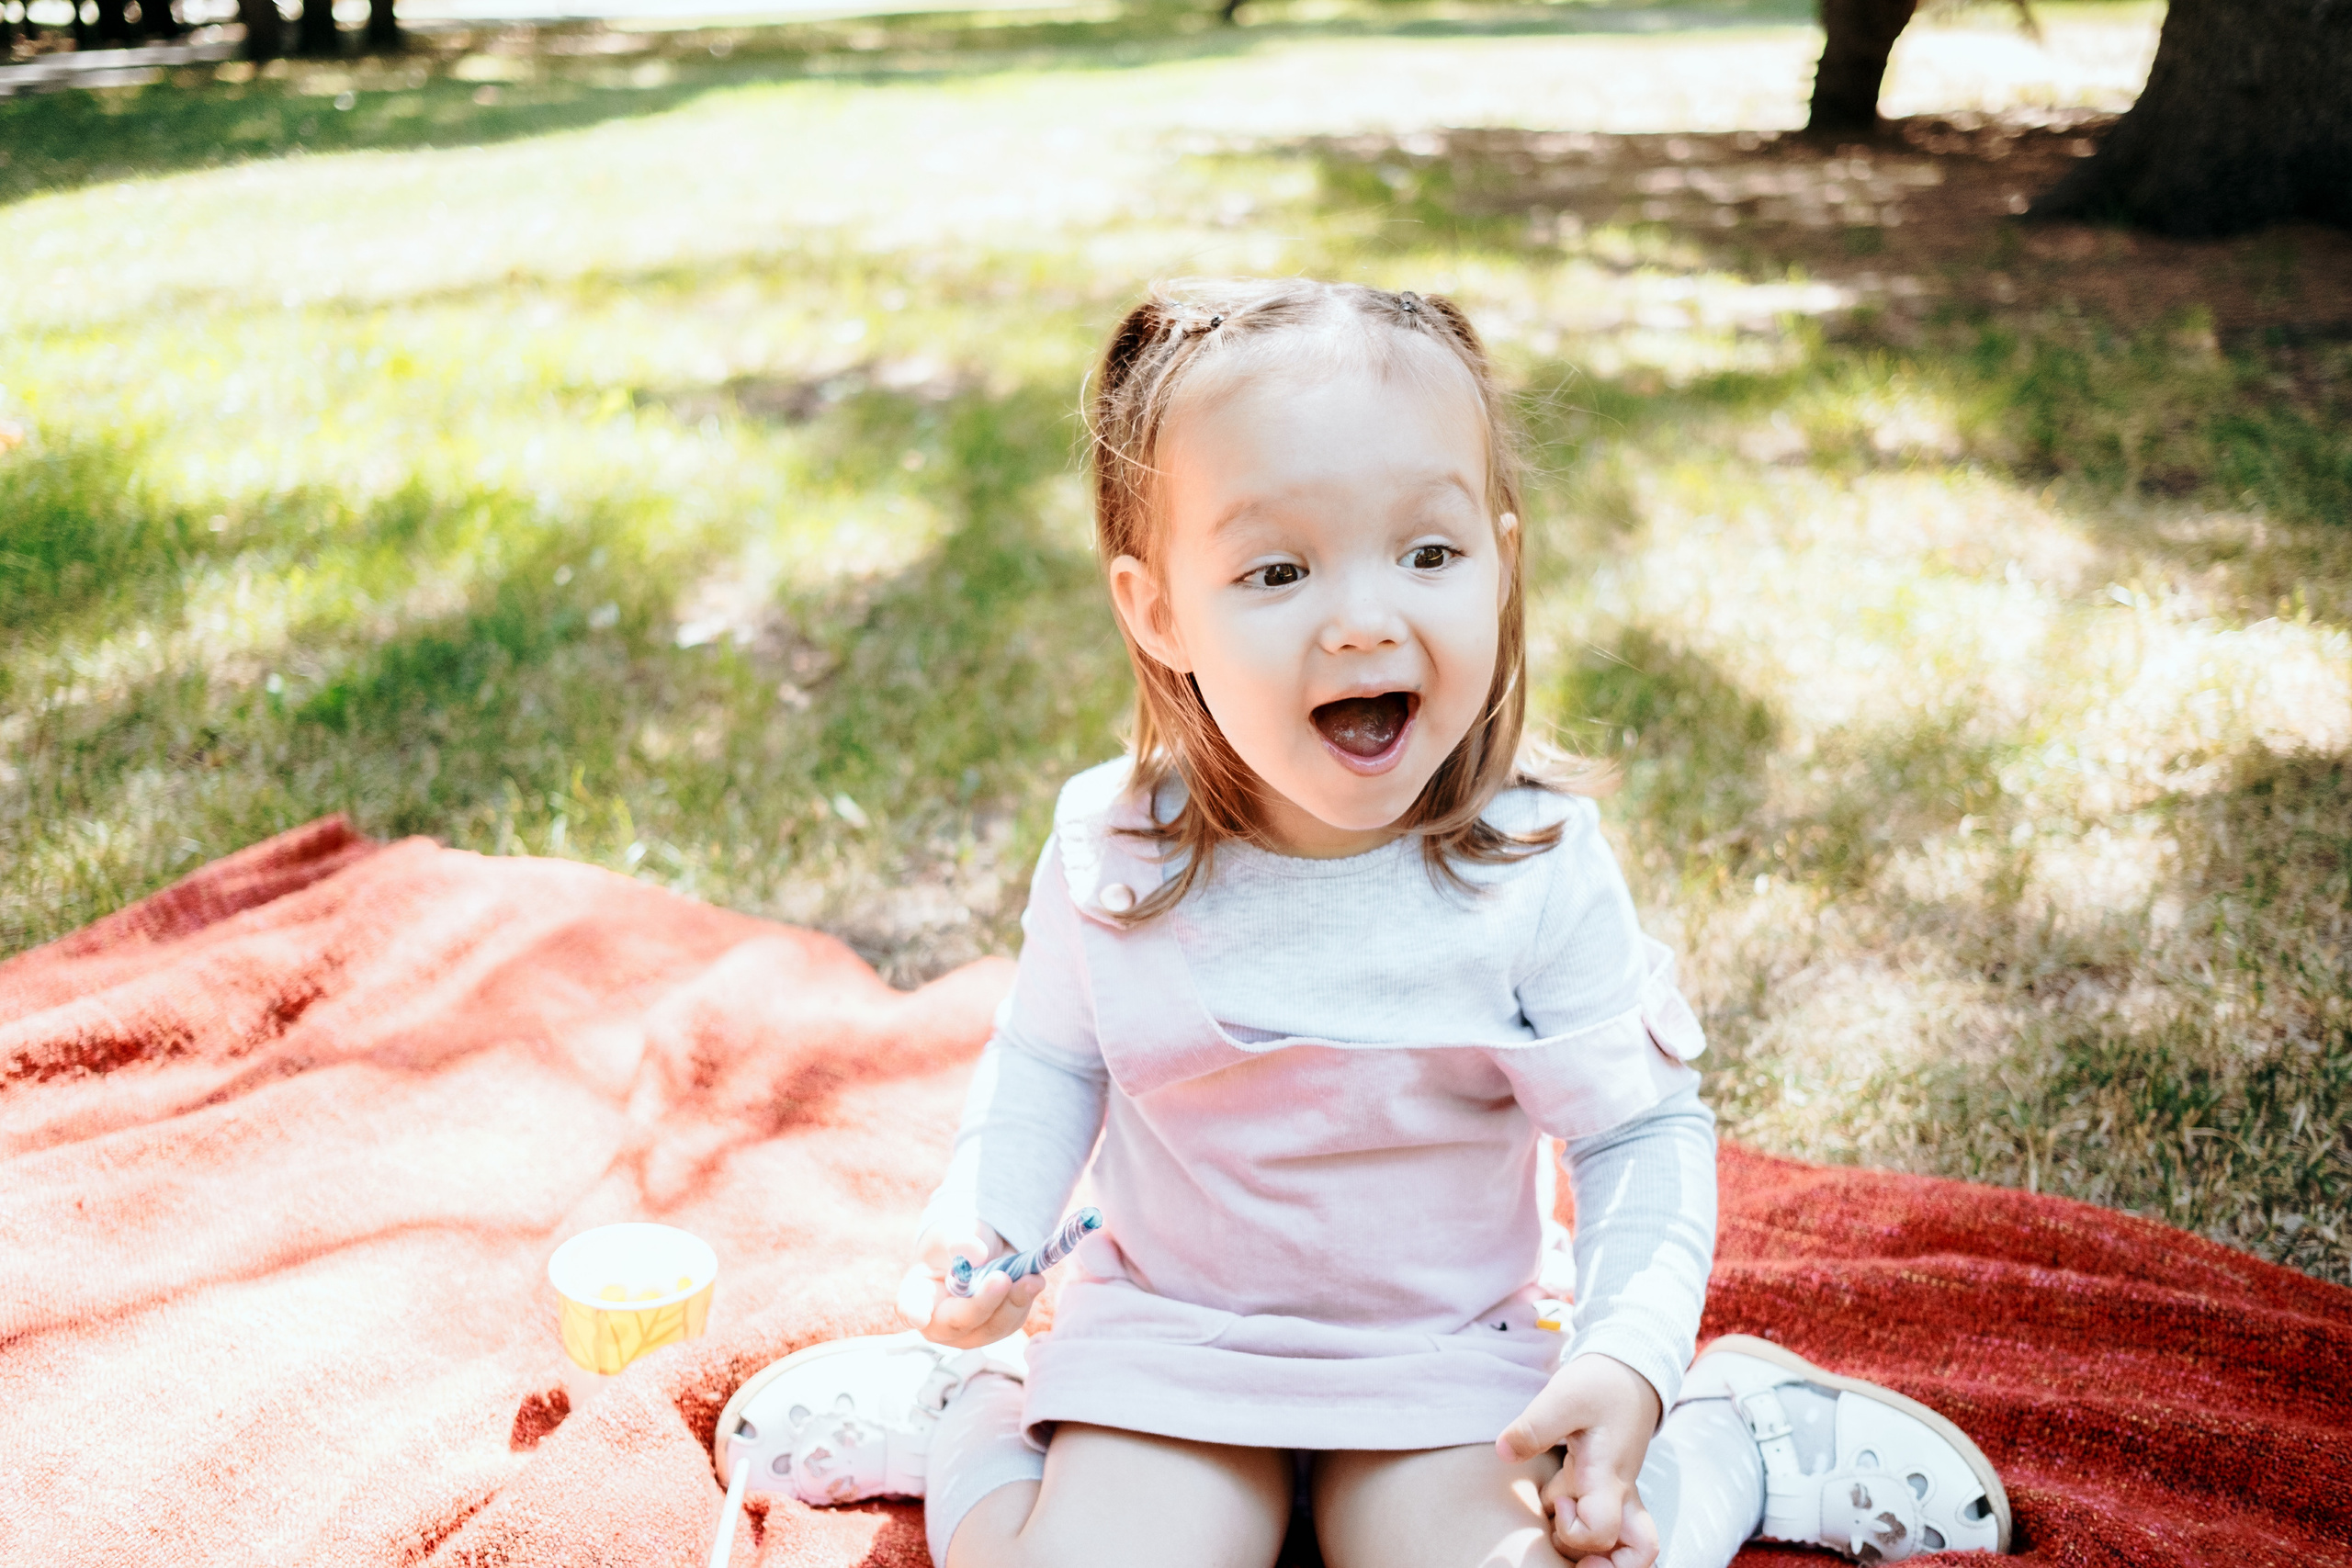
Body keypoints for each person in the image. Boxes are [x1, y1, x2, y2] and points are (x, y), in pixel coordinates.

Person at [713, 279, 2011, 1568]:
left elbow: (1640, 1130)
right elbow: (1053, 1060)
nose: (1365, 618)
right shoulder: (1112, 850)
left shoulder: (1533, 867)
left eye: (1431, 554)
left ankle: (1738, 1441)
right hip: (1174, 1342)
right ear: (1158, 610)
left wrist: (1627, 1364)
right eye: (1277, 570)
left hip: (1438, 1361)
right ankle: (971, 1413)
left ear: (1501, 564)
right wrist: (989, 1223)